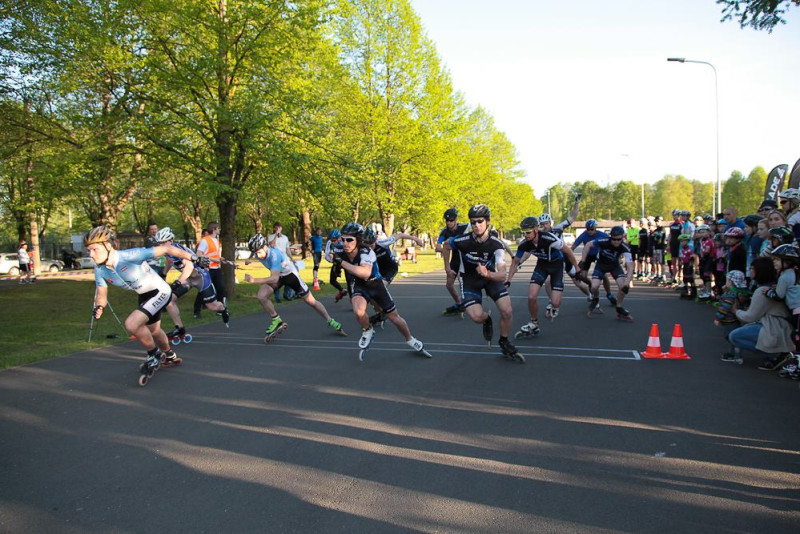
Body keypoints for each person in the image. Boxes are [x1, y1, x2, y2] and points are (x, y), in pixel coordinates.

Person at [85, 225, 208, 377]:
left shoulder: (130, 255)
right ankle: (169, 355)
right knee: (154, 331)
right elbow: (101, 295)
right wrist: (99, 307)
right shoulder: (100, 270)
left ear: (108, 245)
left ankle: (154, 354)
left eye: (94, 249)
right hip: (143, 294)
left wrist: (194, 257)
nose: (91, 254)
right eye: (88, 250)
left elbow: (166, 250)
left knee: (132, 324)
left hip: (159, 291)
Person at [332, 222, 430, 360]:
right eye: (343, 239)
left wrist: (340, 262)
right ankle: (368, 330)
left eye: (349, 240)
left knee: (394, 317)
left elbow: (365, 273)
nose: (345, 243)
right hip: (360, 285)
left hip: (376, 283)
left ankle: (410, 339)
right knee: (358, 311)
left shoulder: (367, 251)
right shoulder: (341, 249)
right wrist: (332, 256)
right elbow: (329, 255)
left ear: (358, 241)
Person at [443, 204, 523, 361]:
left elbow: (502, 275)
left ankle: (504, 340)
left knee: (507, 311)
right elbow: (446, 246)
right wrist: (447, 268)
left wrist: (488, 274)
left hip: (490, 278)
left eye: (480, 221)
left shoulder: (496, 244)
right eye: (473, 222)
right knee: (476, 317)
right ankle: (487, 320)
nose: (476, 225)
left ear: (488, 221)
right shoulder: (462, 240)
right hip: (469, 280)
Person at [244, 233, 344, 342]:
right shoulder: (260, 251)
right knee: (261, 296)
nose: (258, 256)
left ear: (265, 247)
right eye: (255, 253)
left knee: (311, 302)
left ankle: (331, 321)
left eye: (259, 252)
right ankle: (276, 320)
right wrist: (249, 259)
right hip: (279, 275)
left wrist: (254, 280)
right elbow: (258, 253)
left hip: (290, 276)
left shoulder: (274, 256)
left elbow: (274, 279)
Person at [506, 216, 583, 336]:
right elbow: (515, 262)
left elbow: (568, 251)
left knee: (556, 303)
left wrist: (577, 268)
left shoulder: (549, 238)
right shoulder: (525, 244)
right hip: (542, 266)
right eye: (523, 232)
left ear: (536, 230)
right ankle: (534, 323)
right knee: (531, 297)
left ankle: (554, 306)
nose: (525, 235)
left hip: (557, 266)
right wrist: (508, 280)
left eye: (528, 232)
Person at [156, 227, 230, 341]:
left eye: (163, 243)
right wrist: (164, 274)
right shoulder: (167, 251)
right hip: (188, 278)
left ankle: (223, 308)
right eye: (159, 243)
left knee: (212, 306)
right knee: (169, 300)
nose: (160, 246)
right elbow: (170, 262)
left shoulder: (178, 250)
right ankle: (179, 328)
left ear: (170, 241)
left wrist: (179, 281)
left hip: (200, 277)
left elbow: (189, 266)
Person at [728, 257, 793, 370]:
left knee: (735, 336)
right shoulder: (773, 287)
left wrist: (735, 311)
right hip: (782, 326)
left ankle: (773, 355)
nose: (750, 270)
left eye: (752, 268)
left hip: (773, 327)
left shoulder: (762, 291)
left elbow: (749, 317)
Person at [582, 225, 634, 320]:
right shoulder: (604, 241)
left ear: (622, 238)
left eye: (619, 239)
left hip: (615, 266)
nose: (616, 242)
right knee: (594, 287)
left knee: (622, 287)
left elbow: (630, 267)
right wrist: (583, 260)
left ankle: (619, 307)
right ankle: (596, 298)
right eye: (614, 239)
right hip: (601, 265)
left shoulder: (624, 247)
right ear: (610, 237)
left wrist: (627, 284)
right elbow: (588, 245)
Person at [765, 244, 800, 378]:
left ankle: (797, 365)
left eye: (777, 259)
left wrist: (768, 291)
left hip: (797, 310)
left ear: (787, 261)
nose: (774, 262)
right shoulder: (795, 273)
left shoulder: (785, 276)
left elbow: (778, 295)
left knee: (797, 338)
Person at [571, 219, 616, 305]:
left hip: (598, 255)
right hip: (587, 256)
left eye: (592, 229)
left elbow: (612, 241)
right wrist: (569, 253)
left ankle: (609, 294)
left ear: (595, 228)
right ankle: (591, 285)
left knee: (604, 276)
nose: (590, 231)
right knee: (582, 276)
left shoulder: (601, 234)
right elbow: (574, 246)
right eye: (588, 229)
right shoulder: (584, 235)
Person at [436, 208, 470, 314]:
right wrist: (448, 249)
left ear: (455, 220)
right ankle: (459, 304)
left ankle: (469, 303)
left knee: (463, 282)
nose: (449, 223)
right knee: (449, 285)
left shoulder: (464, 227)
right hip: (455, 259)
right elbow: (437, 247)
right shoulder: (444, 231)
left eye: (451, 220)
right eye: (447, 221)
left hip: (466, 258)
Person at [715, 270, 751, 362]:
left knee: (730, 336)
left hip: (729, 319)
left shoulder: (730, 294)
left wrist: (718, 317)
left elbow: (725, 306)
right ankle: (735, 353)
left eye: (727, 280)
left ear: (731, 282)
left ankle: (734, 354)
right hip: (736, 318)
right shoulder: (740, 293)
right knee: (732, 335)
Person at [194, 222, 227, 317]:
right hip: (208, 269)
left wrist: (219, 259)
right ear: (214, 229)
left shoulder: (216, 240)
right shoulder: (205, 240)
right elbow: (199, 254)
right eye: (218, 228)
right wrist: (213, 259)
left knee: (221, 288)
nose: (220, 230)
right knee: (204, 290)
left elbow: (214, 254)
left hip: (217, 268)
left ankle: (220, 309)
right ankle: (197, 311)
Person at [268, 222, 294, 301]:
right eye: (276, 228)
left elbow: (287, 249)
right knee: (276, 279)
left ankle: (287, 294)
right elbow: (271, 245)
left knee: (289, 277)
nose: (278, 229)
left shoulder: (285, 237)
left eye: (279, 228)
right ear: (274, 229)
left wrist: (291, 258)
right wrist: (276, 235)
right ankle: (277, 297)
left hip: (285, 260)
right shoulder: (271, 237)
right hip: (275, 261)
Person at [324, 229, 348, 302]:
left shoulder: (345, 241)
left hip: (345, 262)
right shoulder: (330, 243)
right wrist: (333, 259)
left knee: (349, 279)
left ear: (339, 238)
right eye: (332, 240)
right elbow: (327, 255)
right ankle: (342, 290)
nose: (333, 242)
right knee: (332, 280)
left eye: (334, 240)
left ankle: (354, 295)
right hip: (336, 262)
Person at [677, 234, 697, 300]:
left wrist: (691, 265)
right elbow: (682, 258)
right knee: (685, 279)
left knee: (690, 279)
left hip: (689, 265)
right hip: (685, 265)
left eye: (682, 241)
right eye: (680, 242)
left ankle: (693, 293)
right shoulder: (682, 249)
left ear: (686, 241)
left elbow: (692, 258)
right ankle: (685, 292)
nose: (681, 243)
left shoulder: (689, 249)